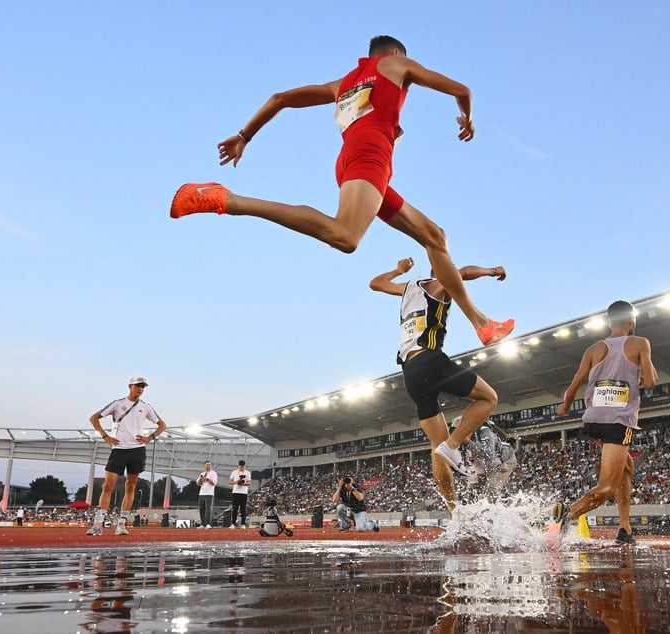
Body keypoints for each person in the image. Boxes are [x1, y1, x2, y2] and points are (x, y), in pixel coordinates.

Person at [170, 34, 513, 347]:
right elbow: (462, 90)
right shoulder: (396, 63)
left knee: (435, 236)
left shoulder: (343, 84)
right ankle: (228, 200)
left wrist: (244, 135)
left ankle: (481, 323)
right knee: (345, 236)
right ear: (394, 53)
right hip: (370, 159)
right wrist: (467, 119)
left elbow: (281, 98)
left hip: (356, 159)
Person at [369, 257, 504, 514]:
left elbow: (375, 284)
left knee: (436, 447)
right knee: (489, 398)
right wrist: (491, 270)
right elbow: (463, 272)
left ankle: (454, 512)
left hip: (409, 371)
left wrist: (398, 270)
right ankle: (453, 446)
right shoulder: (439, 283)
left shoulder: (409, 287)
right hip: (430, 359)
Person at [554, 300, 659, 545]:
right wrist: (645, 366)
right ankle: (567, 515)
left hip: (592, 421)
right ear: (631, 321)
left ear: (609, 321)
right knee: (607, 489)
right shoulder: (640, 343)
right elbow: (652, 382)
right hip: (618, 422)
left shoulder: (593, 349)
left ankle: (625, 529)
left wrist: (564, 406)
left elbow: (574, 385)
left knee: (626, 469)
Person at [86, 377, 167, 536]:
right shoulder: (118, 404)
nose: (140, 389)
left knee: (130, 486)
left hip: (137, 449)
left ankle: (121, 524)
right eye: (138, 386)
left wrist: (150, 437)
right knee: (108, 485)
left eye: (143, 387)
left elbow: (162, 425)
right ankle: (97, 525)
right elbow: (94, 418)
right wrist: (105, 436)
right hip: (119, 448)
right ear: (130, 386)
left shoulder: (146, 407)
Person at [452, 417, 517, 500]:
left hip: (504, 461)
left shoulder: (484, 432)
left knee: (491, 488)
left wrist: (468, 442)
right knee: (474, 491)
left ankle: (497, 509)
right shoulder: (462, 443)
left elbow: (488, 454)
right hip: (486, 466)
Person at [228, 460, 251, 529]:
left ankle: (243, 524)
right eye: (241, 467)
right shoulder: (234, 472)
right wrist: (236, 482)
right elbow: (229, 481)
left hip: (244, 492)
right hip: (235, 492)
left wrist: (243, 483)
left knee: (243, 508)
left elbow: (249, 483)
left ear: (244, 466)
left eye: (243, 467)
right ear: (238, 466)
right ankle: (233, 523)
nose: (242, 468)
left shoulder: (247, 472)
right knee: (235, 508)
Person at [196, 461, 218, 529]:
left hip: (209, 493)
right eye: (207, 465)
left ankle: (208, 523)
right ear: (204, 466)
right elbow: (197, 483)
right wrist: (200, 479)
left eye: (209, 465)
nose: (208, 466)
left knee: (207, 508)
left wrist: (207, 479)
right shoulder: (202, 473)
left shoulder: (213, 473)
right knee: (201, 508)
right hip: (202, 493)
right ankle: (203, 523)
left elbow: (214, 483)